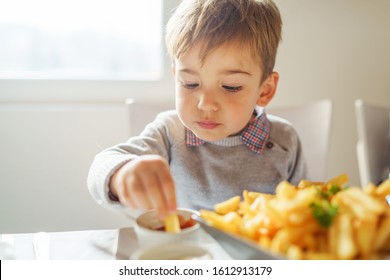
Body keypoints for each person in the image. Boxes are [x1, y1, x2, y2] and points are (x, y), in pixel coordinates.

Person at [87, 0, 307, 220]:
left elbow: (302, 210)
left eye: (231, 87)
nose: (205, 104)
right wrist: (121, 173)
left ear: (265, 90)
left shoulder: (285, 140)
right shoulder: (169, 132)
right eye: (190, 83)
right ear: (176, 78)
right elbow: (103, 165)